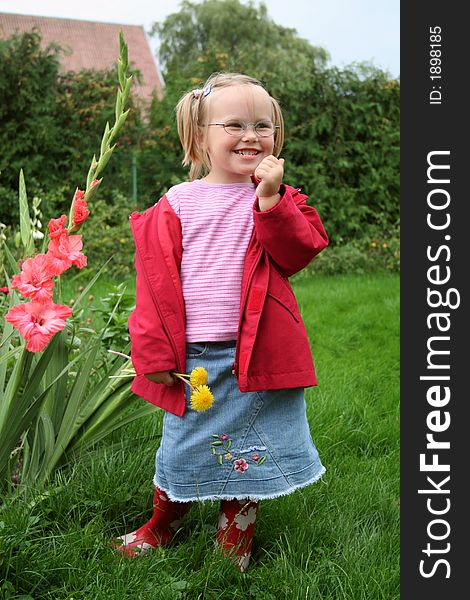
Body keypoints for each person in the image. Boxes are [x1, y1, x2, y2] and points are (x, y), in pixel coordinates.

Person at [113, 72, 329, 572]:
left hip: (257, 354)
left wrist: (271, 201)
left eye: (264, 125)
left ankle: (235, 539)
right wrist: (155, 356)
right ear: (199, 137)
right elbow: (153, 286)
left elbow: (299, 250)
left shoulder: (275, 197)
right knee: (181, 446)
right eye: (234, 124)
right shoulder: (179, 203)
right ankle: (161, 526)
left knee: (252, 453)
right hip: (197, 362)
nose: (251, 136)